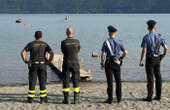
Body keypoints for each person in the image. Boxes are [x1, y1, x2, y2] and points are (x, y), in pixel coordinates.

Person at [21, 31, 54, 104]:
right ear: (41, 36)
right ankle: (43, 99)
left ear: (34, 36)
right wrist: (49, 61)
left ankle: (30, 99)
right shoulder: (45, 44)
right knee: (42, 82)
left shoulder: (31, 44)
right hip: (42, 65)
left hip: (33, 65)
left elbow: (22, 52)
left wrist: (25, 60)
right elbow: (52, 53)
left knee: (32, 82)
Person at [139, 20, 168, 102]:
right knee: (158, 77)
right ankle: (158, 96)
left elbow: (144, 51)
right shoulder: (160, 37)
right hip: (157, 58)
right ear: (155, 27)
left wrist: (141, 60)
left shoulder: (146, 37)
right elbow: (166, 48)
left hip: (150, 59)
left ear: (148, 27)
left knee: (150, 78)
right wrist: (163, 56)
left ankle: (149, 97)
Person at [101, 25, 128, 104]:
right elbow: (125, 52)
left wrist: (102, 62)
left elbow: (103, 54)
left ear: (109, 32)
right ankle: (119, 98)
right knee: (118, 81)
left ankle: (110, 99)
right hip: (117, 63)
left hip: (109, 63)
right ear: (115, 33)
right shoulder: (119, 42)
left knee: (109, 81)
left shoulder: (106, 42)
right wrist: (121, 58)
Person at [61, 27, 81, 104]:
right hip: (75, 63)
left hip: (66, 63)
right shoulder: (77, 41)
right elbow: (78, 50)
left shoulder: (63, 42)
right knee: (76, 80)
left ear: (66, 33)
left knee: (66, 80)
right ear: (73, 33)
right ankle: (76, 99)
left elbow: (63, 51)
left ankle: (66, 99)